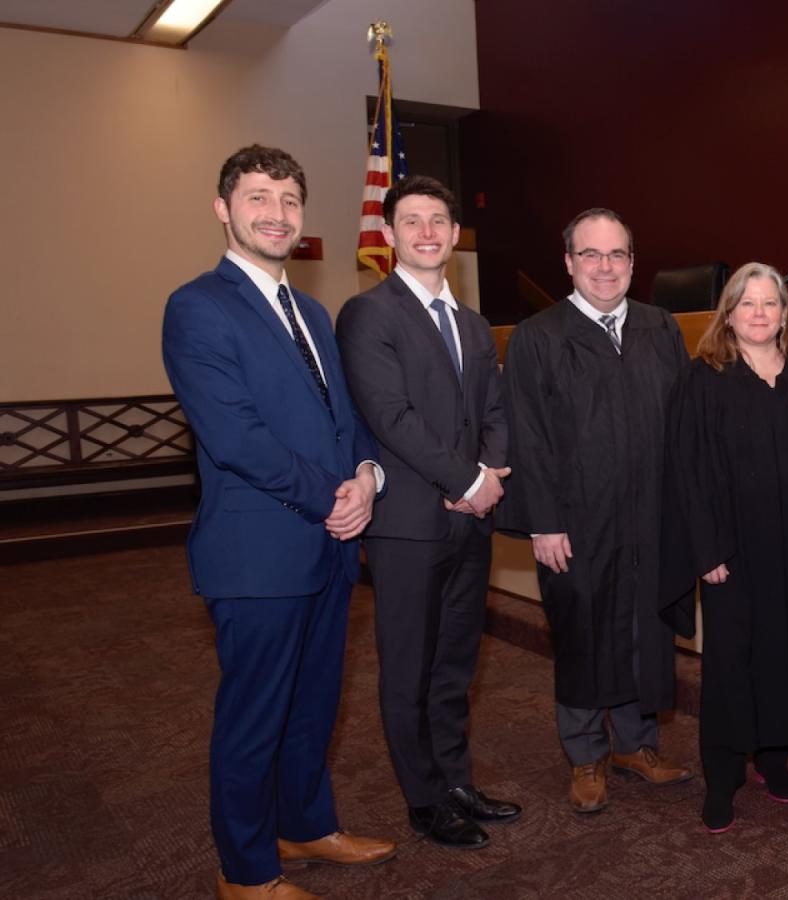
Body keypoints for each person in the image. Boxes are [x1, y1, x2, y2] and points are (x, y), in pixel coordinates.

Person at [161, 145, 396, 900]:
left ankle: (305, 825)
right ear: (222, 208)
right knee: (254, 719)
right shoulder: (197, 306)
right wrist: (334, 494)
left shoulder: (313, 311)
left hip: (327, 551)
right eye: (258, 197)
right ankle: (246, 869)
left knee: (313, 706)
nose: (276, 213)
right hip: (257, 556)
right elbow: (236, 439)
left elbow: (345, 420)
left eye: (290, 199)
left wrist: (366, 476)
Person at [335, 175, 520, 850]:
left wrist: (489, 477)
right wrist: (467, 476)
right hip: (409, 525)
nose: (426, 232)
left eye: (438, 220)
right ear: (389, 235)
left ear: (453, 234)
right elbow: (391, 416)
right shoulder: (369, 314)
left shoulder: (471, 324)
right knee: (408, 667)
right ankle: (423, 800)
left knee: (455, 664)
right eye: (411, 221)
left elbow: (495, 412)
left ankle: (456, 781)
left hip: (471, 521)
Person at [498, 208, 694, 815]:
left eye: (617, 256)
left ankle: (637, 744)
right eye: (591, 255)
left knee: (644, 628)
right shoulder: (539, 335)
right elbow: (526, 435)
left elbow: (686, 427)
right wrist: (544, 519)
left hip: (652, 517)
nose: (604, 267)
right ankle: (585, 755)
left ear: (633, 264)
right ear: (569, 262)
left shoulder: (661, 328)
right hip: (577, 520)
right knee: (583, 632)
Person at [662, 262, 788, 833]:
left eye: (770, 303)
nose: (759, 314)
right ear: (728, 313)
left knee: (786, 651)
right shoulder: (703, 377)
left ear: (785, 312)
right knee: (731, 661)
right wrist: (706, 550)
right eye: (747, 303)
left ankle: (774, 757)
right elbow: (687, 471)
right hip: (731, 547)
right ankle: (723, 776)